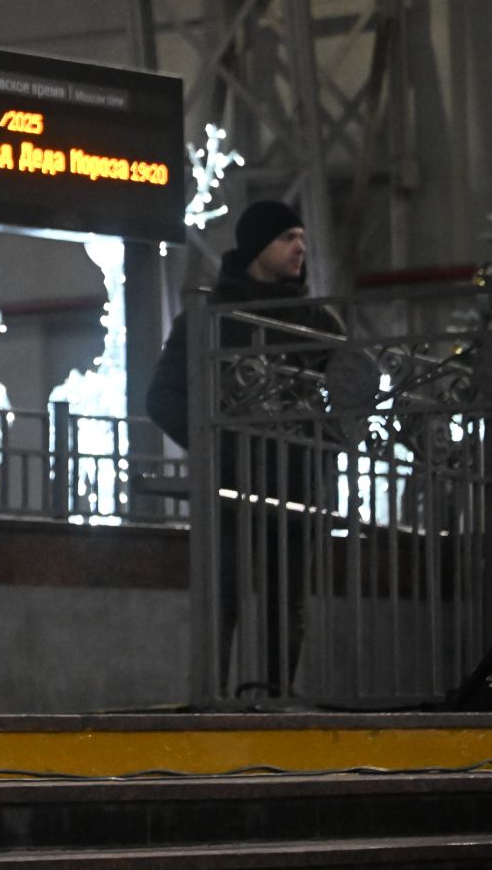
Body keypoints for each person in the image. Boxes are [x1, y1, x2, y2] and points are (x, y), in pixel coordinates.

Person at [147, 198, 343, 698]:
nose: (301, 246)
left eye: (302, 236)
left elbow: (353, 395)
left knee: (288, 606)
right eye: (287, 238)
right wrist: (219, 447)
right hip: (230, 487)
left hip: (296, 488)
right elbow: (163, 397)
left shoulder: (318, 322)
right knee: (222, 600)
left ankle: (274, 703)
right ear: (257, 247)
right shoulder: (210, 316)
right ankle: (211, 703)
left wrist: (318, 451)